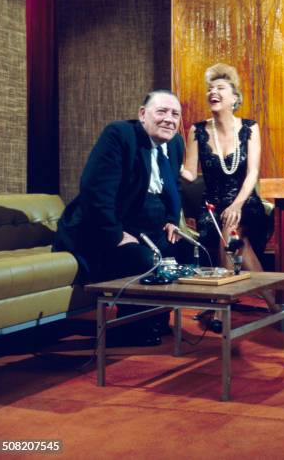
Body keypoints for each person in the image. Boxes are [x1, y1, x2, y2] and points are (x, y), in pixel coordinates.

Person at [54, 89, 194, 344]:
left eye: (175, 114)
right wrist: (115, 234)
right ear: (143, 114)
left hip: (143, 225)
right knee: (142, 258)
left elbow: (173, 185)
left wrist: (173, 220)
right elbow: (95, 190)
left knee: (183, 250)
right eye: (161, 111)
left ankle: (156, 319)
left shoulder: (174, 143)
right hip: (99, 229)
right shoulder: (119, 135)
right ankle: (131, 327)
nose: (169, 119)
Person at [181, 63, 274, 317]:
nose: (214, 92)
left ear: (235, 97)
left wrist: (236, 205)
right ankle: (275, 305)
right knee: (233, 240)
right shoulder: (197, 131)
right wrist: (165, 158)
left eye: (221, 87)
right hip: (210, 208)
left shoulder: (249, 128)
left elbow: (253, 173)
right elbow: (189, 174)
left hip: (245, 204)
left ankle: (221, 309)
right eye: (210, 88)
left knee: (230, 233)